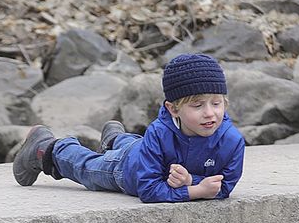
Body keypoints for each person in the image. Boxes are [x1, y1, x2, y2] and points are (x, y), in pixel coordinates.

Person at [12, 53, 245, 202]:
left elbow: (224, 186)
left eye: (217, 103)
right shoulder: (159, 132)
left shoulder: (231, 141)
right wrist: (194, 190)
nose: (210, 113)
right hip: (125, 170)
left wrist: (189, 181)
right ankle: (45, 147)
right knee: (87, 169)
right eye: (197, 105)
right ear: (174, 109)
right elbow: (148, 189)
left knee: (138, 146)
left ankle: (115, 139)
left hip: (142, 150)